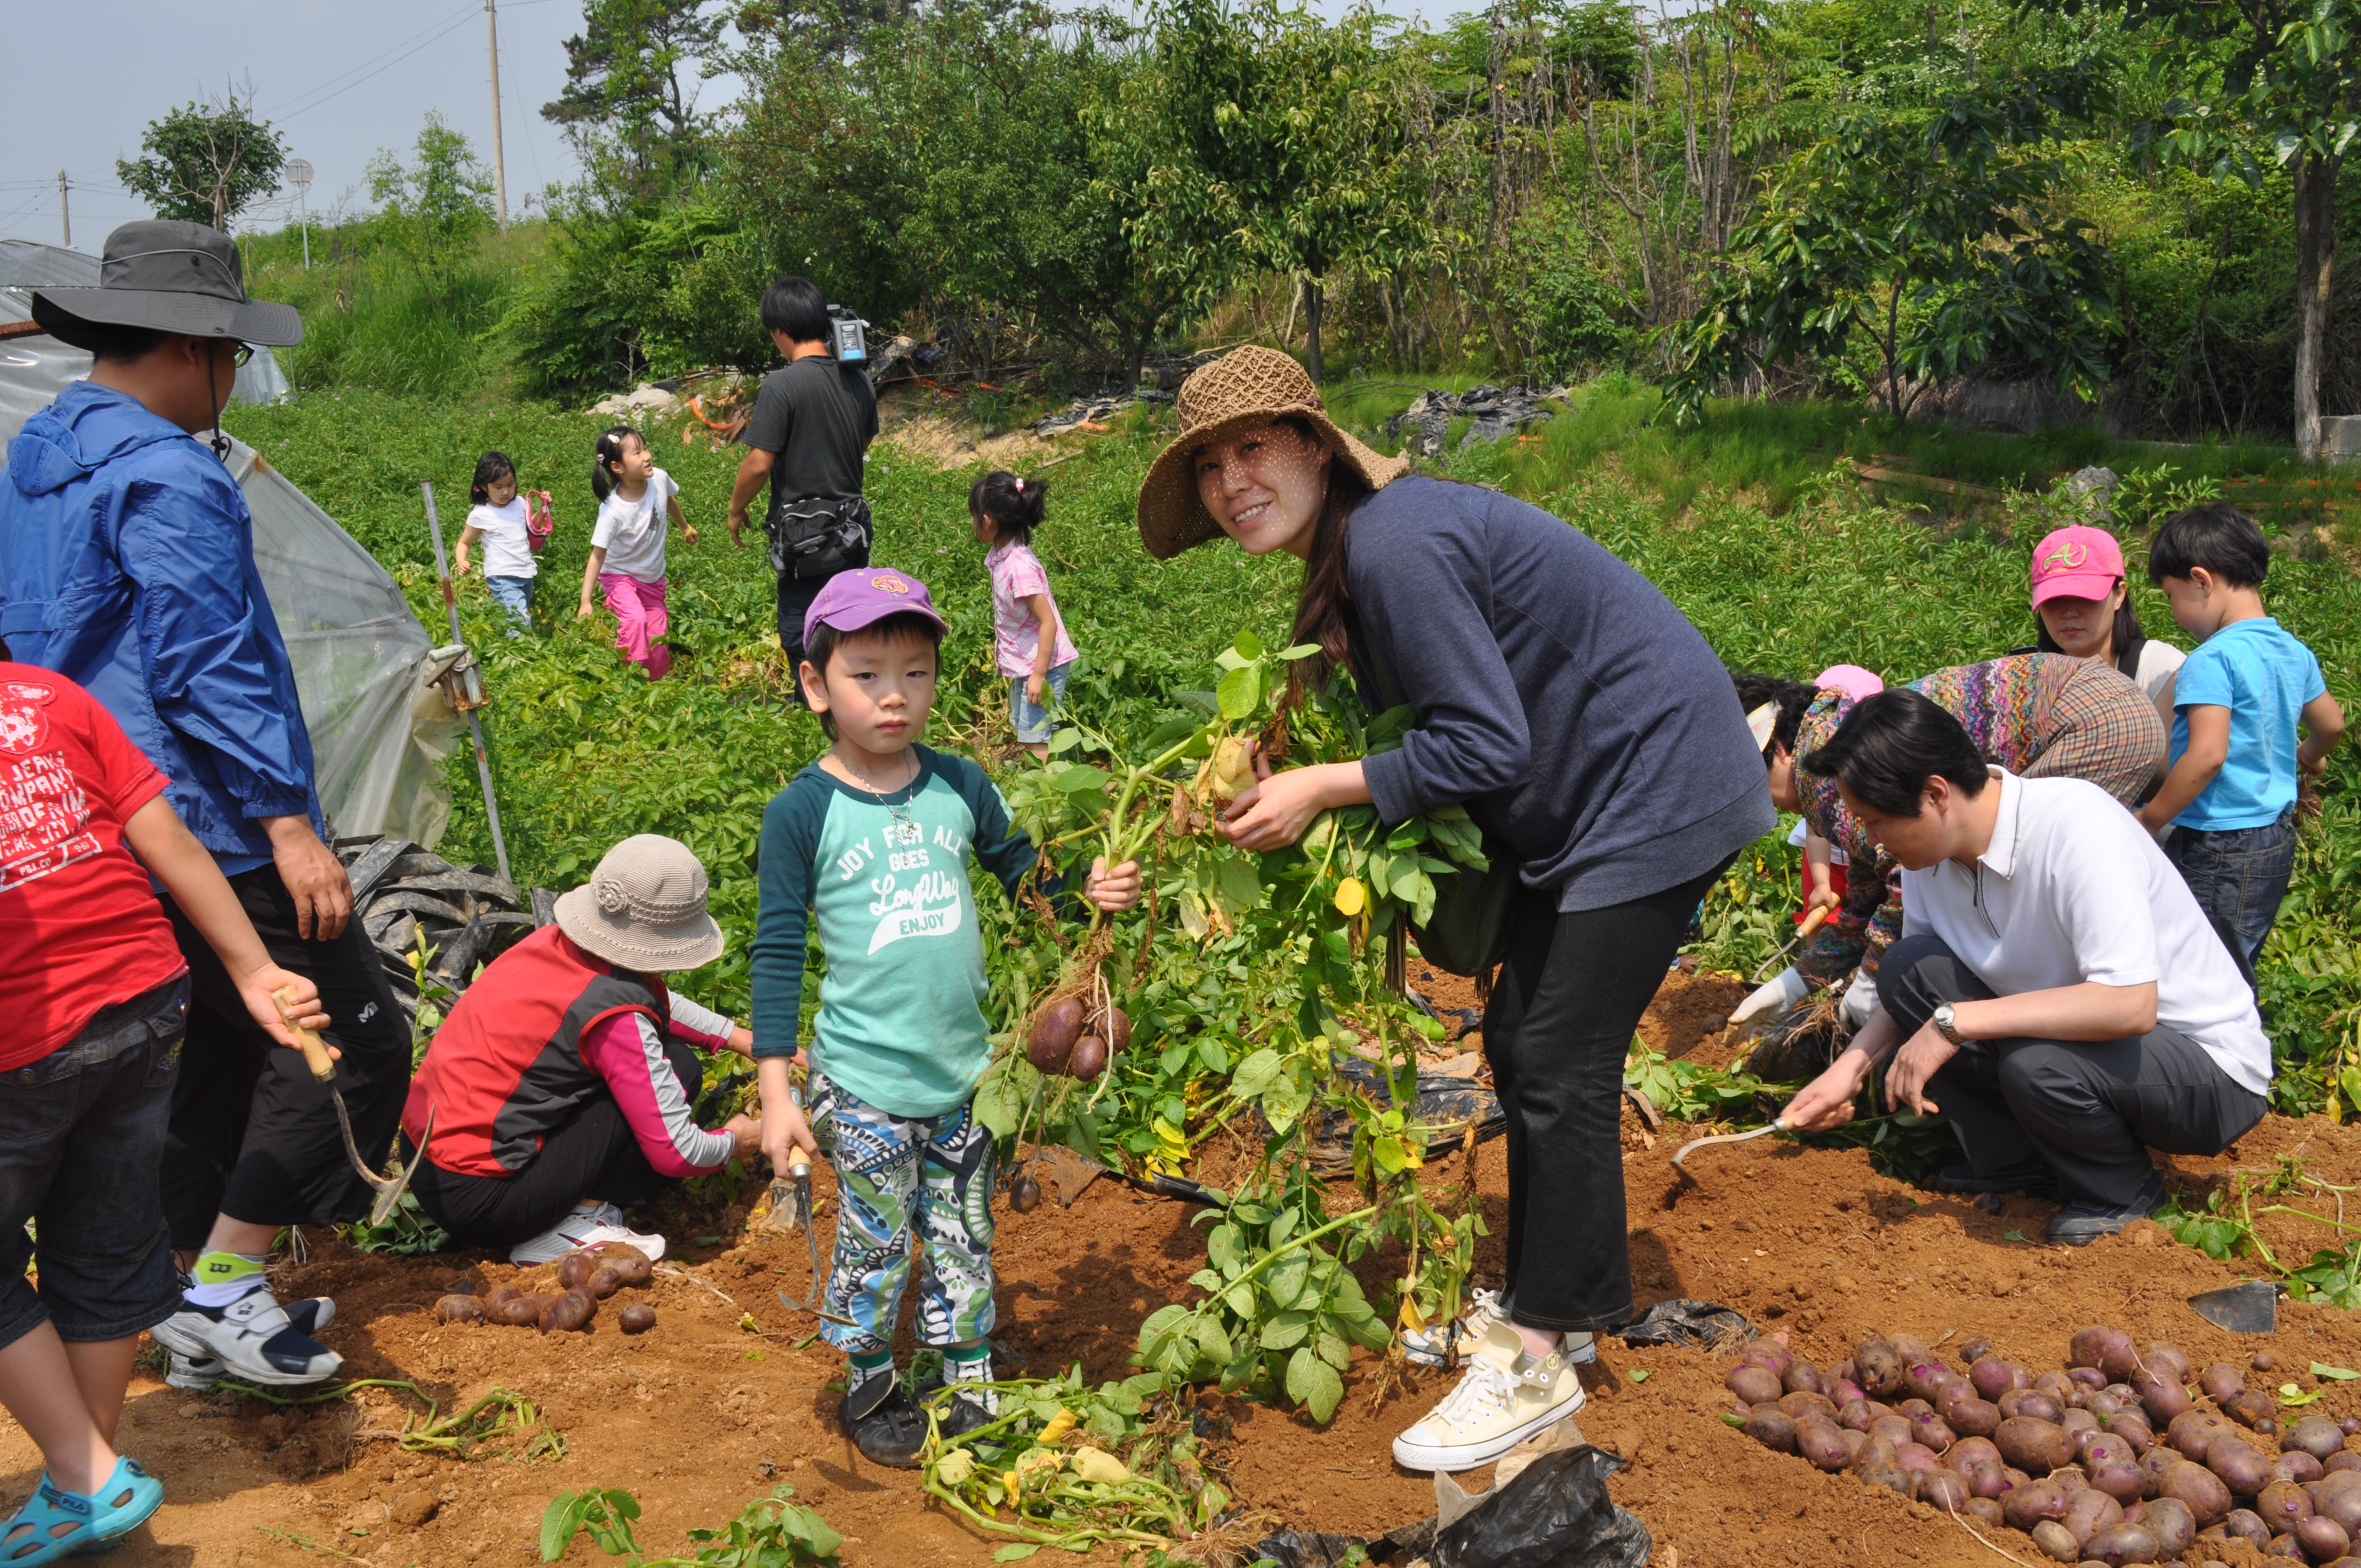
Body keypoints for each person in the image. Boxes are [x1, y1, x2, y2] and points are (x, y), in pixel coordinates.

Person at [1132, 347, 1772, 1473]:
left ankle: (1533, 1355)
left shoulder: (1395, 543)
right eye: (1208, 466)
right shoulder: (1359, 550)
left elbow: (1482, 742)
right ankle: (1560, 1304)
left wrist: (1321, 790)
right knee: (1526, 1044)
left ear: (1315, 444)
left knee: (1560, 1055)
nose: (1230, 482)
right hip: (1598, 797)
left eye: (1252, 448)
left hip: (1652, 787)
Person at [1, 220, 411, 1391]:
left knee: (212, 1061)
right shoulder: (170, 471)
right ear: (192, 348)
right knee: (354, 1041)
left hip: (101, 822)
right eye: (230, 355)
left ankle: (183, 1295)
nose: (232, 381)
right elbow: (207, 661)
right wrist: (290, 824)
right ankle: (227, 1284)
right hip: (213, 815)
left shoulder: (34, 459)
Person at [748, 569, 1140, 1468]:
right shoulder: (801, 811)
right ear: (816, 684)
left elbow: (1032, 883)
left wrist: (1090, 893)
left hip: (965, 1078)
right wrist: (777, 1093)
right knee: (875, 1239)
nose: (895, 694)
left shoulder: (960, 784)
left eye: (916, 672)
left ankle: (966, 1377)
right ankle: (870, 1380)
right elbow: (775, 954)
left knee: (964, 1233)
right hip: (864, 1082)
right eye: (868, 672)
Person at [0, 666, 327, 1560]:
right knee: (100, 1240)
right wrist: (255, 969)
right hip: (146, 1001)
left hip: (24, 1036)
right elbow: (170, 839)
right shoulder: (48, 695)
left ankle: (85, 1470)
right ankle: (85, 1476)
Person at [1780, 689, 2269, 1243]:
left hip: (2201, 1069)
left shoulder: (2075, 826)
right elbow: (1915, 993)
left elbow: (2130, 1005)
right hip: (2079, 1044)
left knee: (2036, 1065)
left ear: (1936, 793)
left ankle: (2123, 1191)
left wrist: (1952, 1023)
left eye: (1875, 822)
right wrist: (1847, 1071)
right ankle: (2017, 1162)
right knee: (1908, 969)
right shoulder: (1929, 858)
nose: (1871, 840)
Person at [1729, 652, 2167, 1037]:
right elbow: (1869, 891)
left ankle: (2042, 1038)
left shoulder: (1821, 770)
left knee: (2018, 881)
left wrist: (1870, 984)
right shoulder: (1830, 738)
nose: (1763, 801)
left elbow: (1902, 879)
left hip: (2094, 720)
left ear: (1782, 751)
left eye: (1755, 782)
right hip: (2106, 701)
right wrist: (1796, 981)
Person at [399, 836, 764, 1264]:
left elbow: (645, 1001)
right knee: (678, 1068)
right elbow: (677, 1151)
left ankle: (558, 1209)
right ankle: (570, 1225)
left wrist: (739, 1038)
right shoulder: (618, 1016)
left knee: (664, 1061)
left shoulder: (552, 945)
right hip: (486, 1201)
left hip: (425, 1160)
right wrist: (736, 1141)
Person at [2134, 504, 2345, 961]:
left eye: (2171, 596)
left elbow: (2207, 754)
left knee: (2204, 968)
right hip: (2274, 839)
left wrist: (2150, 819)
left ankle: (2220, 1036)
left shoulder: (2211, 660)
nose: (2173, 613)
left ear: (2201, 581)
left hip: (2218, 845)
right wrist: (2309, 754)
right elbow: (2332, 724)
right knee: (2238, 958)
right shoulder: (2292, 650)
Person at [725, 276, 879, 696]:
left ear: (779, 330)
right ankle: (854, 705)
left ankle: (817, 713)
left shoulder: (782, 384)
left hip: (803, 540)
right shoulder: (860, 380)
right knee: (850, 628)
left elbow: (758, 463)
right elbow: (865, 439)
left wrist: (737, 509)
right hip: (851, 534)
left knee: (802, 636)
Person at [970, 469, 1078, 758]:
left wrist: (1039, 675)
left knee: (1034, 735)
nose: (971, 523)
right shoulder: (1003, 557)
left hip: (1043, 664)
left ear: (988, 520)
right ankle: (1054, 778)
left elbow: (1048, 621)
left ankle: (1049, 795)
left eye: (974, 516)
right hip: (1028, 663)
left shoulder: (1019, 567)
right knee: (1025, 726)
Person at [2023, 523, 2184, 712]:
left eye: (2083, 597)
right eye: (2054, 599)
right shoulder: (2027, 678)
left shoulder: (2160, 670)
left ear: (2119, 595)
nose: (2069, 613)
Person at [581, 426, 693, 680]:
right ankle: (628, 680)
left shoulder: (659, 479)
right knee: (635, 619)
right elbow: (597, 555)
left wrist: (685, 528)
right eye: (637, 453)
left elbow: (668, 501)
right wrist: (585, 601)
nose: (646, 456)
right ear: (618, 467)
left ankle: (654, 688)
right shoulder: (613, 511)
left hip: (652, 577)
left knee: (659, 642)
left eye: (645, 448)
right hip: (619, 576)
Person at [454, 451, 537, 631]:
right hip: (502, 576)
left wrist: (545, 510)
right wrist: (461, 561)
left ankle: (512, 643)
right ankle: (524, 653)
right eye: (498, 487)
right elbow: (464, 542)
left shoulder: (520, 503)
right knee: (520, 621)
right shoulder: (481, 514)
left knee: (518, 617)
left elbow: (533, 528)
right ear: (484, 487)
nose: (506, 492)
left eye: (511, 485)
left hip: (525, 571)